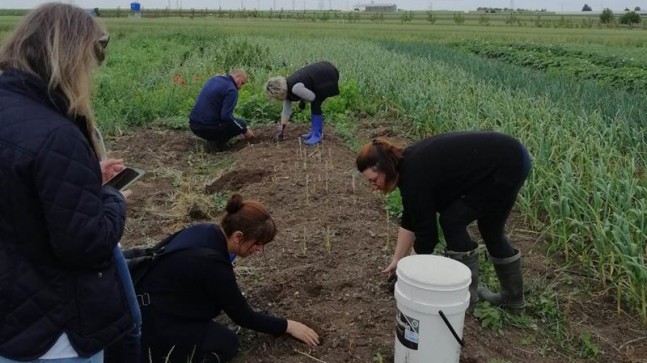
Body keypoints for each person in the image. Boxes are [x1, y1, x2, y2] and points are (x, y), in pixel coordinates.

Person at [0, 3, 134, 362]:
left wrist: (83, 176)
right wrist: (110, 196)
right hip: (54, 333)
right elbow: (86, 243)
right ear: (70, 57)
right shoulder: (57, 133)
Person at [356, 132, 532, 313]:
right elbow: (411, 218)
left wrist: (407, 274)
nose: (373, 186)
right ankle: (513, 300)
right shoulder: (408, 168)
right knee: (489, 229)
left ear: (387, 168)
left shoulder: (414, 175)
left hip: (507, 165)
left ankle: (467, 301)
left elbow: (427, 238)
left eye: (374, 180)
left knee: (453, 221)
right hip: (510, 157)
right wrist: (397, 260)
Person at [137, 194, 319, 362]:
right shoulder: (212, 264)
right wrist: (288, 326)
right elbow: (244, 317)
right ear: (239, 237)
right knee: (227, 344)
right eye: (257, 243)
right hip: (155, 324)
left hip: (144, 305)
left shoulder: (205, 231)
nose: (259, 250)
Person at [265, 61, 340, 145]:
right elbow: (286, 110)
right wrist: (281, 129)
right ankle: (315, 131)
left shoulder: (295, 88)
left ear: (280, 93)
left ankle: (317, 135)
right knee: (315, 103)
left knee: (316, 103)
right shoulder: (286, 87)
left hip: (328, 75)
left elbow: (312, 97)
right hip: (323, 72)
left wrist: (303, 101)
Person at [189, 69, 255, 152]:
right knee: (241, 123)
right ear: (238, 76)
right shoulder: (231, 90)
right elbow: (226, 117)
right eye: (242, 83)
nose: (241, 87)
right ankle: (216, 143)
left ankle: (212, 139)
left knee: (234, 123)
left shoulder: (214, 79)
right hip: (206, 127)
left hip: (193, 124)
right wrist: (244, 130)